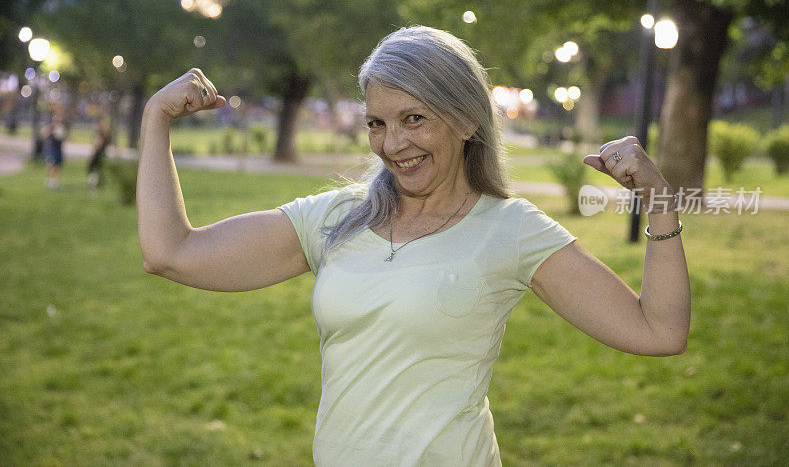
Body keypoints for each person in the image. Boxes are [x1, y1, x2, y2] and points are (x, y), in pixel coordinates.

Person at [137, 26, 690, 466]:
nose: (393, 144)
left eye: (414, 119)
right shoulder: (336, 218)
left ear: (467, 118)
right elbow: (171, 253)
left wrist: (660, 203)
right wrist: (156, 119)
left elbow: (657, 331)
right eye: (377, 123)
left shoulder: (511, 229)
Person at [42, 112, 68, 189]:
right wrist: (50, 131)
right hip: (51, 149)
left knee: (57, 164)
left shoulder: (61, 128)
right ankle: (50, 180)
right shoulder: (50, 127)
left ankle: (54, 180)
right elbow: (44, 133)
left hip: (58, 148)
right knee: (51, 164)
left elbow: (63, 137)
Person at [87, 118, 111, 191]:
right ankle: (97, 184)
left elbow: (98, 144)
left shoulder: (101, 134)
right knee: (98, 170)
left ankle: (94, 186)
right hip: (102, 154)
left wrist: (93, 152)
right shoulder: (106, 134)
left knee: (92, 169)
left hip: (97, 154)